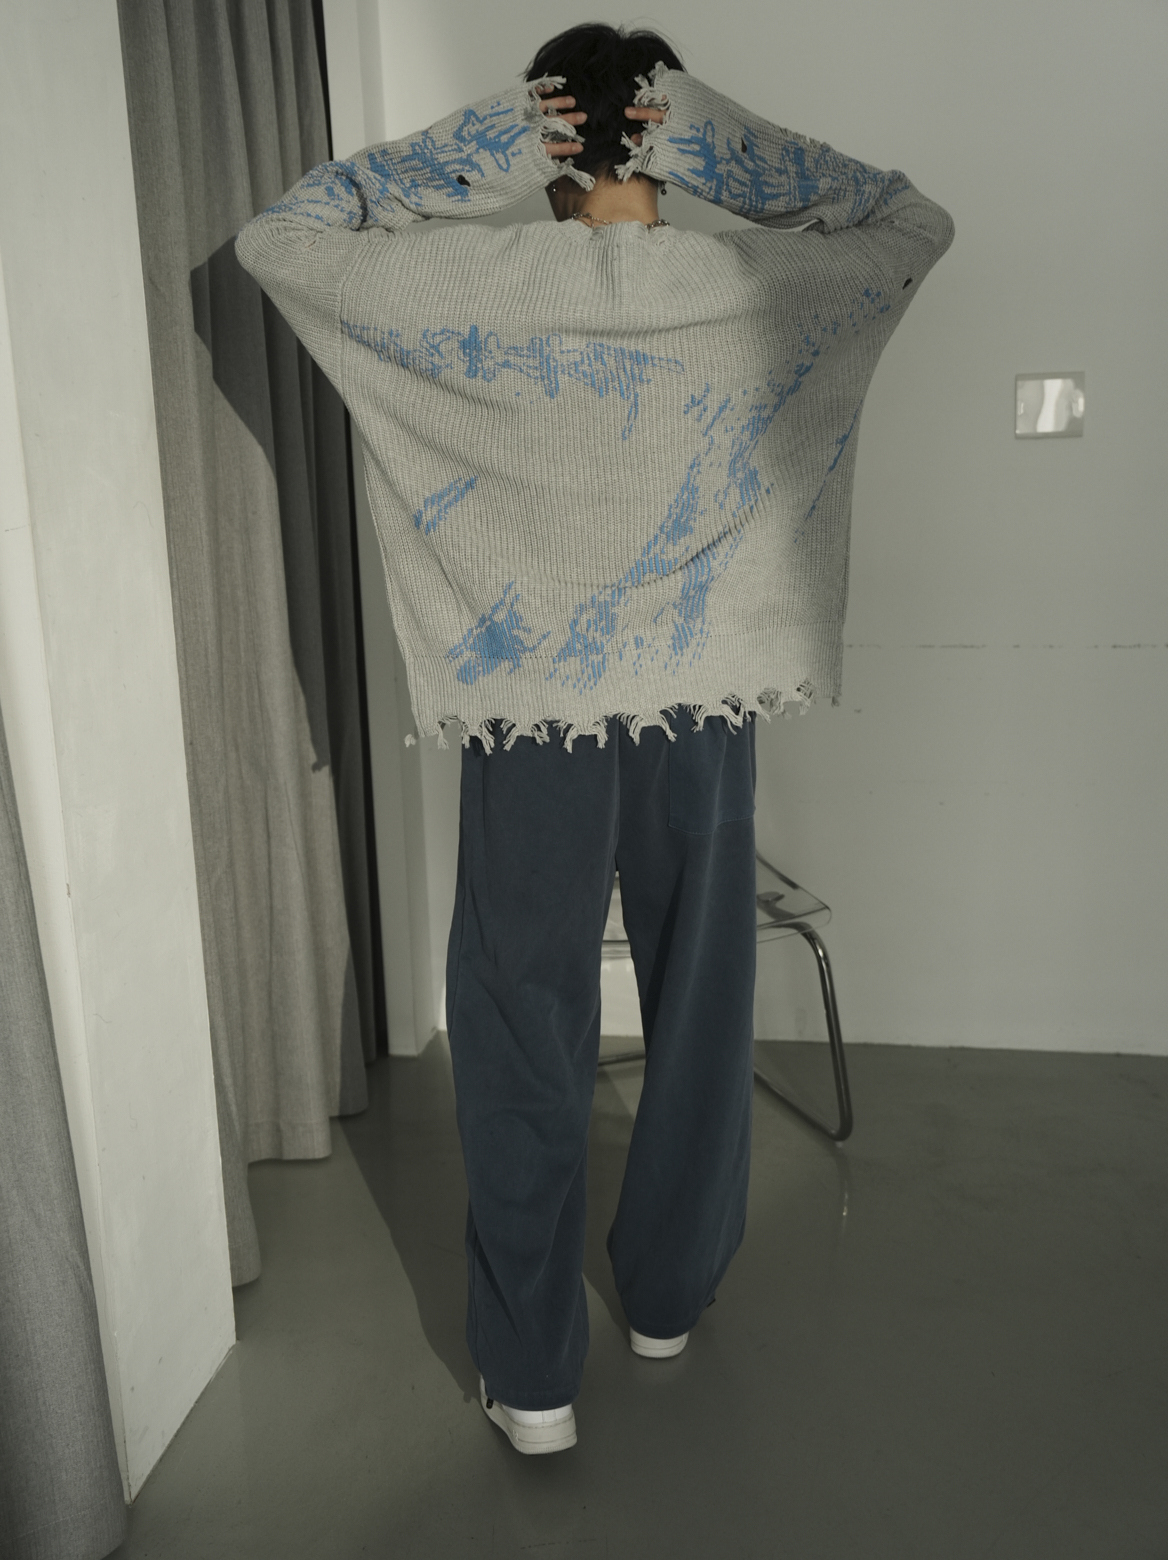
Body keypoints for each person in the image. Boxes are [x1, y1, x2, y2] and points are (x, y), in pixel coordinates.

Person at [236, 21, 953, 1456]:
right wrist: (727, 143)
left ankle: (533, 1378)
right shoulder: (745, 283)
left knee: (522, 1017)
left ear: (550, 137)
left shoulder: (474, 282)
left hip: (536, 713)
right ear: (670, 141)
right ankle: (667, 1296)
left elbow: (279, 240)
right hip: (701, 711)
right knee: (700, 1000)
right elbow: (909, 222)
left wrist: (480, 154)